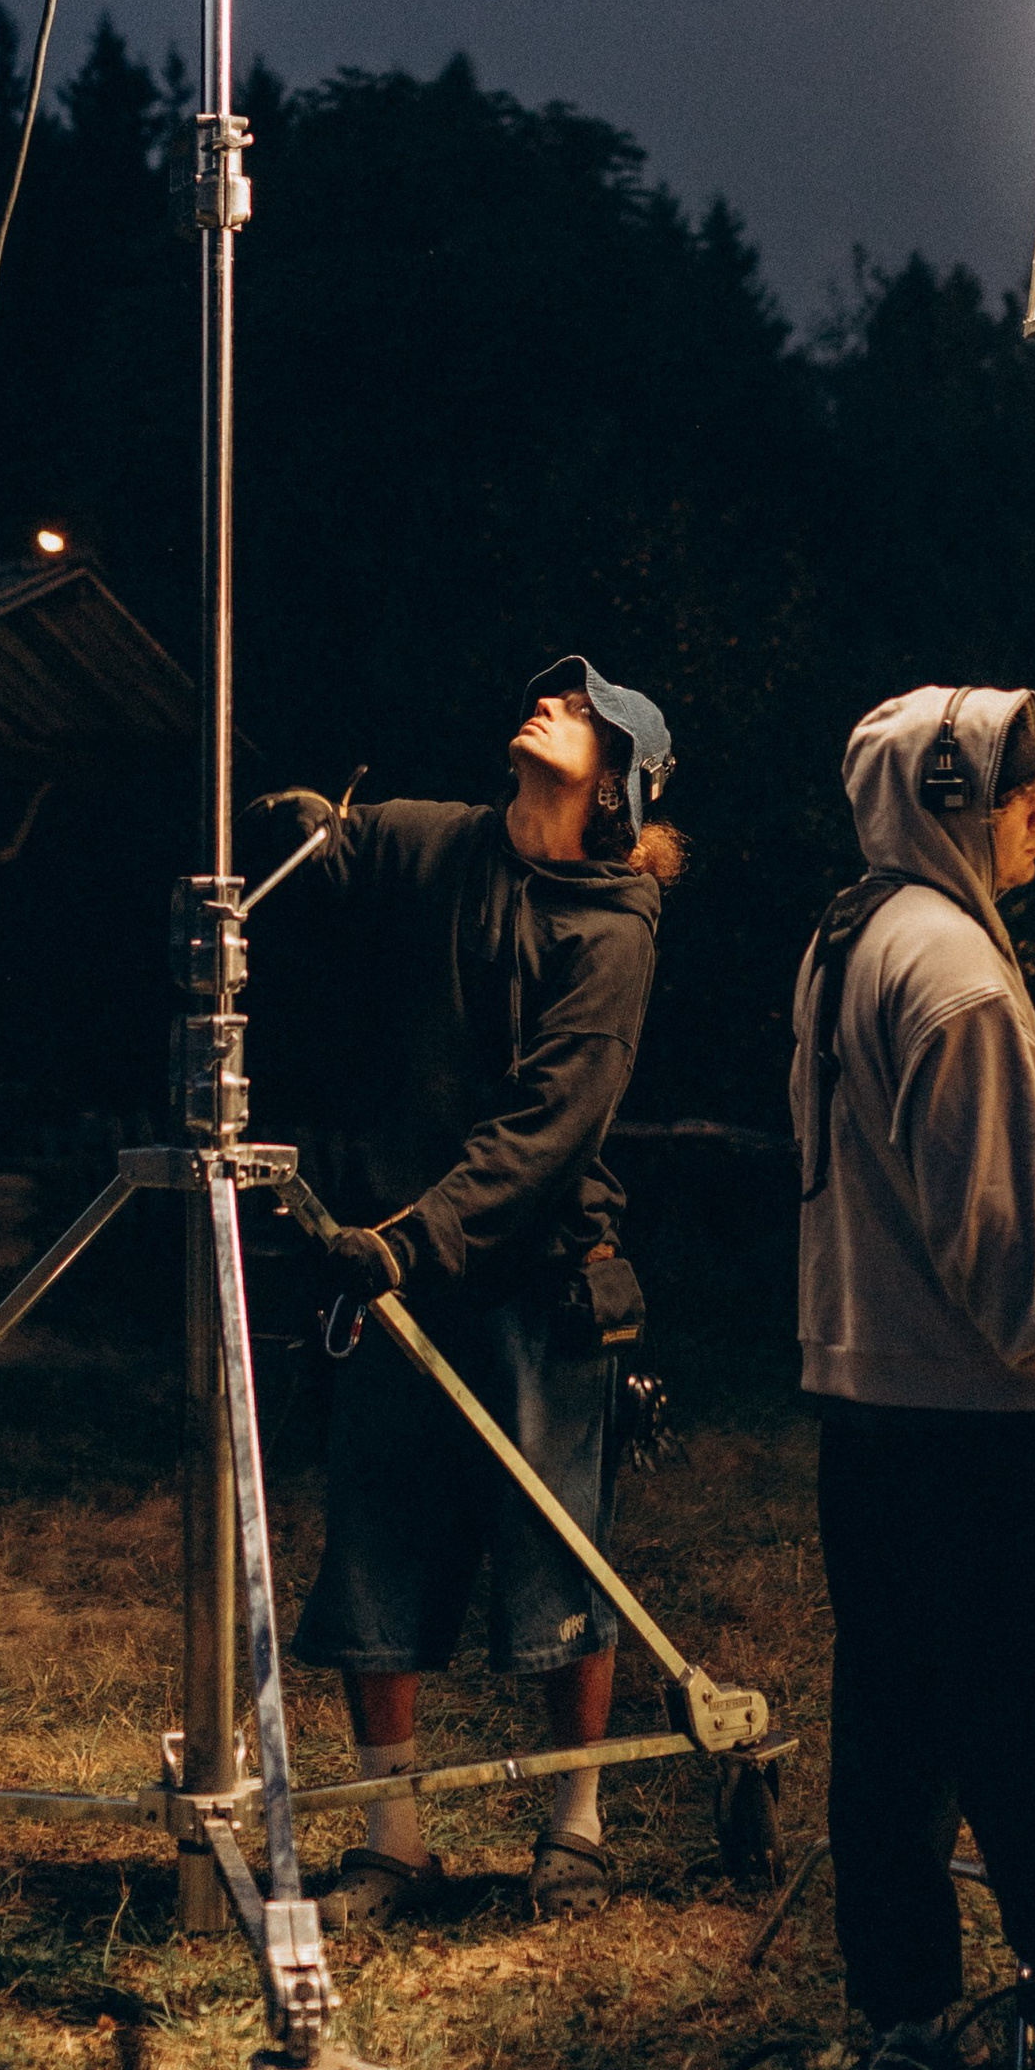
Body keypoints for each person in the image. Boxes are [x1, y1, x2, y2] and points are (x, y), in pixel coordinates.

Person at [789, 682, 1035, 2070]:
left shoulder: (851, 936)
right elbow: (1000, 1231)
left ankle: (904, 2009)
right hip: (992, 1419)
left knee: (895, 1730)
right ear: (952, 797)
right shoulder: (953, 974)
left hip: (869, 1406)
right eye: (1024, 795)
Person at [280, 656, 684, 1924]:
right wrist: (295, 833)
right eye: (551, 694)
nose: (548, 701)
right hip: (393, 1260)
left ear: (615, 781)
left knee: (558, 1553)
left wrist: (414, 1236)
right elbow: (334, 860)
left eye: (581, 710)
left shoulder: (609, 930)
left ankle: (575, 1826)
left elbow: (548, 1129)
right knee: (377, 1546)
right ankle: (392, 1838)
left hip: (534, 1275)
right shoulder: (428, 841)